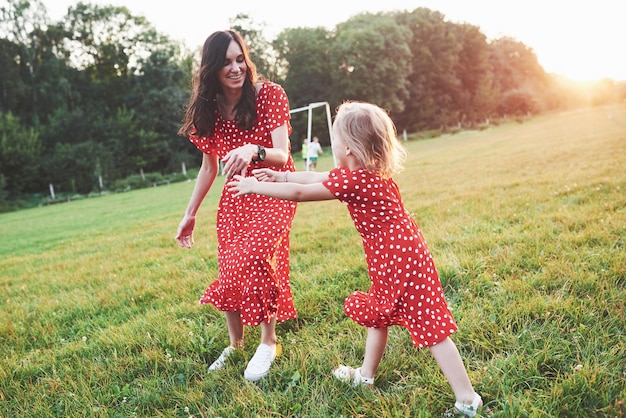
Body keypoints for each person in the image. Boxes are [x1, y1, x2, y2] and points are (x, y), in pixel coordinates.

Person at [227, 101, 485, 416]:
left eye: (334, 138)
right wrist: (279, 178)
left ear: (348, 147)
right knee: (379, 314)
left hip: (399, 260)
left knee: (431, 328)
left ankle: (468, 400)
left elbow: (303, 194)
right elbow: (318, 177)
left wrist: (255, 186)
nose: (332, 144)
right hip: (399, 255)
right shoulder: (366, 172)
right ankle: (365, 376)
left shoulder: (355, 180)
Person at [175, 29, 298, 382]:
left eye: (240, 59)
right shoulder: (209, 110)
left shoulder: (269, 95)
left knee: (257, 254)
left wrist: (252, 150)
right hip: (236, 194)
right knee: (230, 266)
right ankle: (236, 344)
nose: (235, 68)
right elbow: (209, 167)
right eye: (226, 62)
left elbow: (282, 154)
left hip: (274, 186)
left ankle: (268, 342)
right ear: (211, 68)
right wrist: (190, 213)